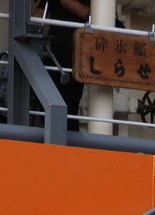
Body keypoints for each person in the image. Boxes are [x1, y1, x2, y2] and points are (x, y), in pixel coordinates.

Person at [42, 0, 90, 129]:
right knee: (59, 110)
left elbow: (85, 12)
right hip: (59, 59)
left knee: (69, 110)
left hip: (73, 60)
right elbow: (84, 12)